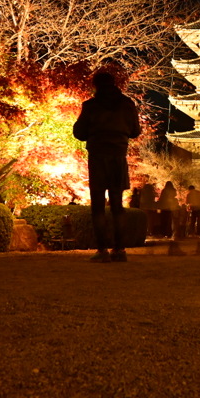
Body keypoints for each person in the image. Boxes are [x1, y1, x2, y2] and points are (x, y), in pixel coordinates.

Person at [72, 71, 141, 262]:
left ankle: (102, 250)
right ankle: (119, 249)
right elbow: (135, 131)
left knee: (98, 206)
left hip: (98, 155)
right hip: (118, 154)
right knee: (118, 205)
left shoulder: (91, 106)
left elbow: (79, 132)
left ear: (96, 85)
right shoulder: (127, 104)